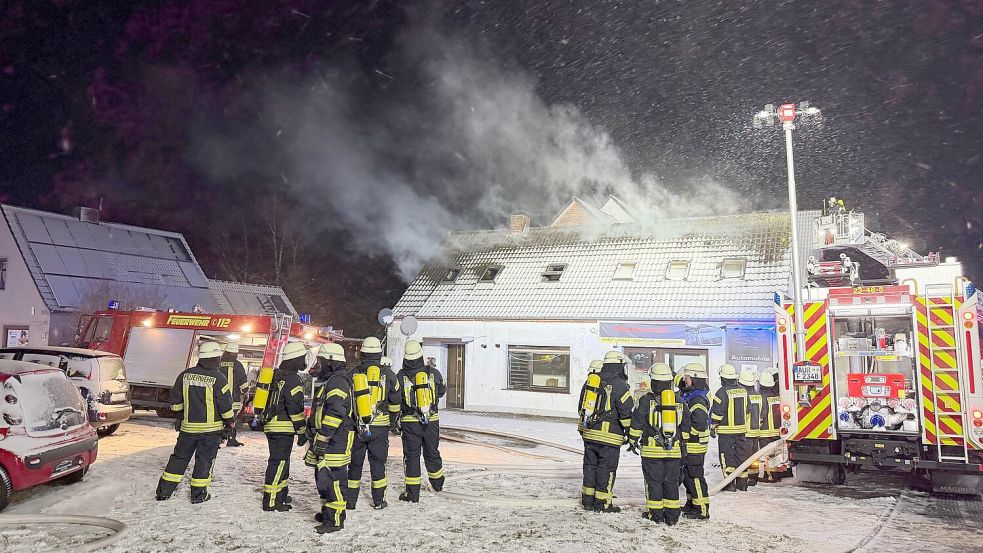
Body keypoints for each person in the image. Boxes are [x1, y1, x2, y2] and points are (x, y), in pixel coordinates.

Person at [155, 341, 234, 503]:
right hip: (210, 431)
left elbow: (175, 401)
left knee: (179, 458)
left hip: (188, 429)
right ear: (215, 358)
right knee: (204, 461)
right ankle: (199, 495)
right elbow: (225, 406)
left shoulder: (185, 375)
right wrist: (229, 422)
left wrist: (180, 416)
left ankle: (164, 492)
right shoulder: (219, 378)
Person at [303, 342, 356, 534]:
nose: (319, 364)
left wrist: (323, 437)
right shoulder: (331, 381)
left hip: (336, 439)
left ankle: (334, 519)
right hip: (329, 438)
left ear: (332, 362)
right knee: (323, 477)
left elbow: (336, 412)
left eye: (322, 361)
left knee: (333, 478)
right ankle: (327, 512)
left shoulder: (338, 382)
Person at [346, 337, 401, 510]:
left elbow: (346, 401)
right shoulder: (389, 375)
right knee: (378, 464)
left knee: (355, 464)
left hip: (357, 427)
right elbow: (396, 402)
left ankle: (350, 501)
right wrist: (392, 423)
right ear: (379, 354)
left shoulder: (352, 373)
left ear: (362, 354)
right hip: (380, 428)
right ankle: (378, 501)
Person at [629, 363, 683, 526]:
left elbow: (637, 422)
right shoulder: (679, 401)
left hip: (652, 452)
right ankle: (672, 516)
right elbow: (685, 426)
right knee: (671, 483)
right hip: (673, 452)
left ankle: (656, 515)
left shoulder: (645, 400)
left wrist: (632, 440)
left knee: (653, 483)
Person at [579, 350, 634, 512]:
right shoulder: (619, 385)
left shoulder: (591, 382)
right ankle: (602, 503)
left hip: (590, 434)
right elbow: (626, 413)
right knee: (606, 468)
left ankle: (587, 501)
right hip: (609, 437)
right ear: (619, 366)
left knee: (590, 466)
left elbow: (580, 408)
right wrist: (632, 434)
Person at [260, 341, 309, 512]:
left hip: (272, 425)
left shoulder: (277, 375)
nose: (305, 360)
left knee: (282, 462)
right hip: (283, 428)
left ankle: (281, 493)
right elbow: (295, 407)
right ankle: (271, 500)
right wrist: (302, 430)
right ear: (296, 359)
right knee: (279, 462)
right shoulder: (293, 379)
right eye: (303, 357)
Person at [395, 339, 446, 502]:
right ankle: (437, 485)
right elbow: (441, 391)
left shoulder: (401, 376)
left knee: (412, 456)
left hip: (410, 422)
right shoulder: (433, 373)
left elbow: (396, 397)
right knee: (432, 452)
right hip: (431, 421)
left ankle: (412, 494)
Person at [679, 362, 711, 520]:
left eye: (688, 378)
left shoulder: (698, 399)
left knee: (695, 476)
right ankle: (691, 504)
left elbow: (698, 423)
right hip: (691, 444)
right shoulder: (692, 395)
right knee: (688, 476)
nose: (685, 381)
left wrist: (684, 434)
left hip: (695, 444)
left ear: (696, 379)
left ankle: (702, 509)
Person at [711, 364, 749, 491]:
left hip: (726, 432)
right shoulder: (743, 390)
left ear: (723, 378)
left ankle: (729, 484)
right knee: (741, 456)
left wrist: (713, 426)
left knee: (726, 457)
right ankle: (742, 483)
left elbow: (717, 413)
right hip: (741, 431)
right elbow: (748, 410)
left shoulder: (721, 392)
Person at [219, 342, 249, 447]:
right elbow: (243, 383)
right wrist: (246, 391)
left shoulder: (217, 362)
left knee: (217, 419)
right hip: (232, 399)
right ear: (235, 353)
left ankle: (216, 440)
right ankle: (230, 438)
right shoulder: (237, 364)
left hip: (216, 398)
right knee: (231, 419)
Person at [757, 371, 783, 483]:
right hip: (777, 431)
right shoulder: (777, 396)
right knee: (776, 454)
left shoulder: (761, 397)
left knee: (766, 455)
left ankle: (769, 476)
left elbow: (761, 414)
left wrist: (756, 426)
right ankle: (776, 474)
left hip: (765, 431)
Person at [739, 369, 762, 487]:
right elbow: (762, 413)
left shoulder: (743, 396)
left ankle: (746, 477)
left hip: (746, 432)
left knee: (746, 457)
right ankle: (754, 477)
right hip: (756, 431)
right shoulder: (759, 396)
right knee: (754, 456)